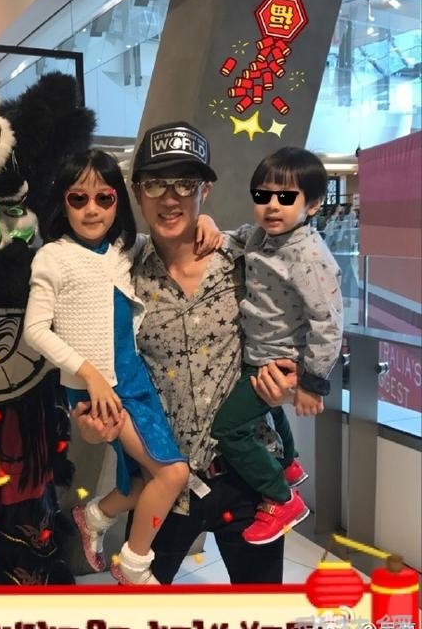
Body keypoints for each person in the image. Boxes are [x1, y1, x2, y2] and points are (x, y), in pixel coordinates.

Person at [74, 121, 297, 584]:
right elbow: (91, 353)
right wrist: (90, 423)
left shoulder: (244, 259)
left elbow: (305, 307)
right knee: (143, 619)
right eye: (156, 183)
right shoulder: (120, 272)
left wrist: (292, 380)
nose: (170, 198)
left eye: (185, 183)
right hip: (167, 479)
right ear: (137, 192)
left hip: (249, 475)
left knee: (261, 613)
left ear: (205, 190)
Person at [23, 149, 220, 584]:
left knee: (148, 477)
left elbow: (172, 237)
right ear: (63, 202)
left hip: (133, 379)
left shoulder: (123, 250)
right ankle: (134, 565)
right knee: (173, 472)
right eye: (78, 199)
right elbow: (34, 330)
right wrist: (88, 375)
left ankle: (95, 515)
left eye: (104, 198)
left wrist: (204, 221)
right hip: (100, 388)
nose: (92, 209)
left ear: (119, 201)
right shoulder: (52, 256)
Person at [210, 147, 343, 545]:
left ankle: (281, 498)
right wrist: (206, 225)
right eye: (263, 195)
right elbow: (234, 238)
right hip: (258, 353)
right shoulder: (261, 235)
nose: (271, 205)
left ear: (312, 204)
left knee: (228, 428)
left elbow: (329, 323)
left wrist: (312, 384)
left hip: (280, 361)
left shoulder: (309, 256)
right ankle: (286, 464)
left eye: (286, 197)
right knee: (265, 413)